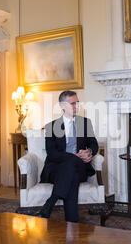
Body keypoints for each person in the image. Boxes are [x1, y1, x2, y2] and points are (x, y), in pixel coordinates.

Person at [37, 91, 99, 222]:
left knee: (72, 168)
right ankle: (72, 224)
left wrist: (89, 153)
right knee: (72, 175)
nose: (76, 106)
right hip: (55, 169)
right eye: (72, 103)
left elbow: (94, 145)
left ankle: (50, 204)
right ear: (62, 106)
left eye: (77, 103)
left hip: (81, 167)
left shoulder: (85, 123)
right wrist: (74, 157)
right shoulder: (51, 126)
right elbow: (52, 153)